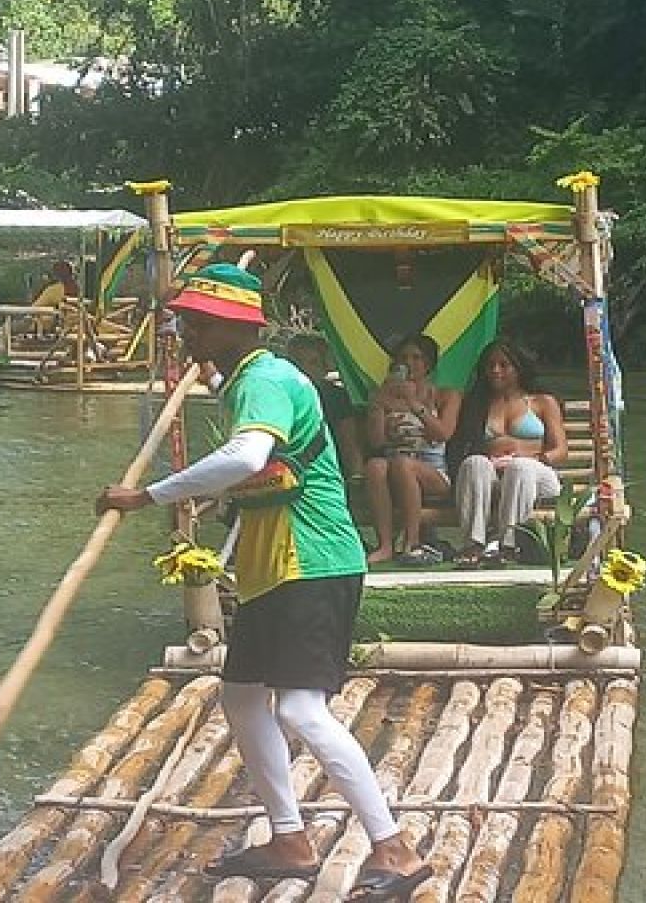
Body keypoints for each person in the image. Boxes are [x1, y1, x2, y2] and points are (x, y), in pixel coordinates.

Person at [96, 263, 429, 901]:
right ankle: (289, 839)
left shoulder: (266, 380)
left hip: (313, 561)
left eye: (198, 325)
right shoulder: (250, 379)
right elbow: (260, 461)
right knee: (244, 698)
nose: (188, 335)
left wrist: (147, 495)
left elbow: (246, 456)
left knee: (300, 709)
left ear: (234, 329)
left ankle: (395, 848)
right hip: (272, 567)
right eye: (186, 324)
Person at [449, 339, 567, 567]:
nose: (496, 370)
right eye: (490, 365)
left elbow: (560, 451)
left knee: (519, 467)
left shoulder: (542, 402)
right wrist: (492, 455)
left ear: (518, 368)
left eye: (504, 365)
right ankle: (474, 545)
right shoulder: (477, 405)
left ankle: (509, 545)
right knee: (474, 463)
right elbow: (463, 447)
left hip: (535, 477)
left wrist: (532, 455)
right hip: (493, 477)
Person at [359, 334, 460, 565]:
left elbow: (443, 433)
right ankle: (385, 545)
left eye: (417, 358)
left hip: (432, 470)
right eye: (404, 358)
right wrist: (381, 414)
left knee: (403, 465)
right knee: (375, 466)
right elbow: (376, 442)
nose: (409, 363)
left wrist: (413, 403)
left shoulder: (445, 395)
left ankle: (411, 543)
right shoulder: (383, 397)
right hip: (393, 463)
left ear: (428, 364)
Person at [280, 333, 363, 478]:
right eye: (297, 363)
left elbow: (349, 442)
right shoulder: (281, 397)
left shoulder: (336, 397)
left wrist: (356, 476)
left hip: (331, 471)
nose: (304, 369)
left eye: (313, 362)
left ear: (325, 365)